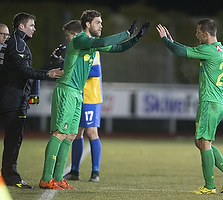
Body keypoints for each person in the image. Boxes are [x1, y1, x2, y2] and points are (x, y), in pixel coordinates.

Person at [39, 9, 150, 190]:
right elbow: (105, 41)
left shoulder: (91, 44)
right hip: (67, 91)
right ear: (88, 24)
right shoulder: (81, 39)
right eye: (98, 22)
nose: (101, 25)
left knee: (71, 136)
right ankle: (46, 178)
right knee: (59, 133)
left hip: (77, 93)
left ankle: (58, 178)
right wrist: (127, 33)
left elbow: (117, 48)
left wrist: (136, 38)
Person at [156, 18, 223, 194]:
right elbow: (186, 49)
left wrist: (165, 40)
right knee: (201, 142)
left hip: (210, 102)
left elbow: (181, 52)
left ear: (206, 34)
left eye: (198, 31)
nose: (196, 34)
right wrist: (173, 42)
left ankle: (210, 186)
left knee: (204, 142)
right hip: (216, 101)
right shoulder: (220, 49)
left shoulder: (208, 50)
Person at [0, 12, 63, 189]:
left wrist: (49, 65)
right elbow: (24, 72)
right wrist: (48, 74)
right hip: (13, 98)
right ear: (21, 26)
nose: (34, 28)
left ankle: (8, 175)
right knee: (13, 139)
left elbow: (20, 70)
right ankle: (10, 177)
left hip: (13, 96)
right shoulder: (18, 43)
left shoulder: (18, 43)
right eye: (32, 25)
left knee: (13, 138)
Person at [55, 20, 102, 182]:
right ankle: (74, 171)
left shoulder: (91, 45)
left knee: (91, 132)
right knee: (75, 133)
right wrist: (62, 61)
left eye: (68, 35)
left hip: (90, 96)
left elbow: (95, 71)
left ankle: (95, 172)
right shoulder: (78, 46)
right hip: (78, 94)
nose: (67, 38)